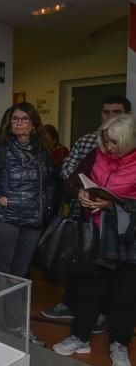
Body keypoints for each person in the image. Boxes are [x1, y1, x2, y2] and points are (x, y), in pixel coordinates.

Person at [52, 114, 136, 366]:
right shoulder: (96, 156)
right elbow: (71, 180)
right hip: (96, 235)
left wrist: (112, 204)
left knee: (125, 295)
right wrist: (80, 192)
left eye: (113, 143)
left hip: (128, 241)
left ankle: (119, 345)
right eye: (105, 141)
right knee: (89, 289)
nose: (108, 148)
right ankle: (80, 337)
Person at [0, 102, 55, 346]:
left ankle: (17, 326)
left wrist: (45, 208)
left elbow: (51, 184)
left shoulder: (42, 152)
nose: (19, 123)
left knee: (19, 277)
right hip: (4, 223)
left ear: (34, 124)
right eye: (15, 119)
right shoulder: (0, 150)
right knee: (0, 276)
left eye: (24, 119)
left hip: (31, 223)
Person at [42, 96, 131, 325]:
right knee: (82, 270)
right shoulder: (89, 143)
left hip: (122, 231)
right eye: (105, 112)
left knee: (118, 283)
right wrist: (82, 190)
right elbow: (69, 171)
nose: (109, 117)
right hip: (86, 219)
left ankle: (106, 320)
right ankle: (76, 311)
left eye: (116, 112)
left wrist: (113, 203)